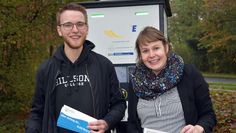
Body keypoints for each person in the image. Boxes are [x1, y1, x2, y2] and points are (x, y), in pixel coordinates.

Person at [25, 3, 126, 133]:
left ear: (87, 28)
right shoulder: (46, 69)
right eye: (68, 25)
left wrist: (107, 122)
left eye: (80, 24)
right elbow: (37, 113)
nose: (75, 30)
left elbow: (119, 104)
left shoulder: (104, 65)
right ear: (59, 30)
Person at [127, 26, 216, 133]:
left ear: (166, 48)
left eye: (156, 48)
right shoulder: (136, 82)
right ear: (140, 55)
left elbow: (208, 115)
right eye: (145, 51)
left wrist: (198, 128)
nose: (151, 55)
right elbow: (132, 123)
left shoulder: (189, 74)